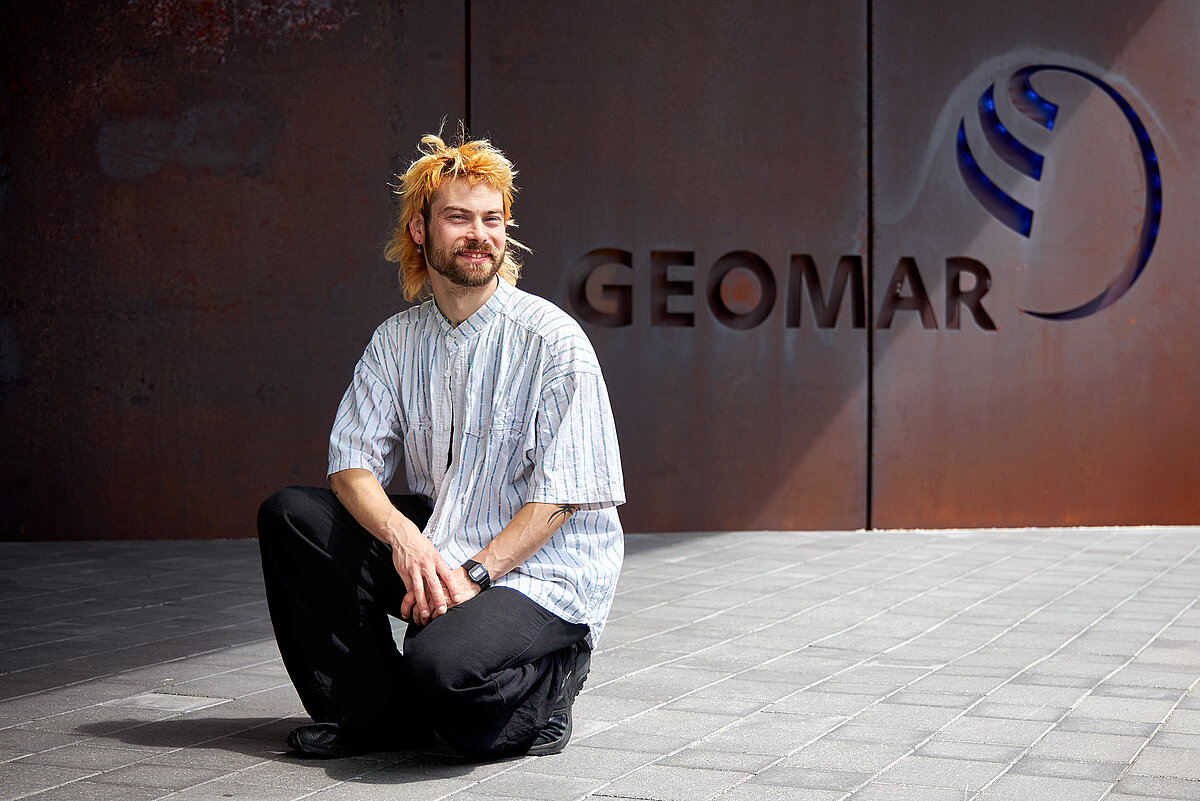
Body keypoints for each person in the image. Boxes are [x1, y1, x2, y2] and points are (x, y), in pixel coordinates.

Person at [257, 130, 625, 761]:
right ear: (420, 230)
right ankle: (372, 714)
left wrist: (474, 575)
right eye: (459, 218)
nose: (479, 234)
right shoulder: (397, 340)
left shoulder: (551, 339)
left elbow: (563, 497)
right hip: (446, 531)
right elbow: (351, 466)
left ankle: (550, 680)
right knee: (293, 515)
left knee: (443, 668)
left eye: (492, 219)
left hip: (542, 566)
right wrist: (407, 540)